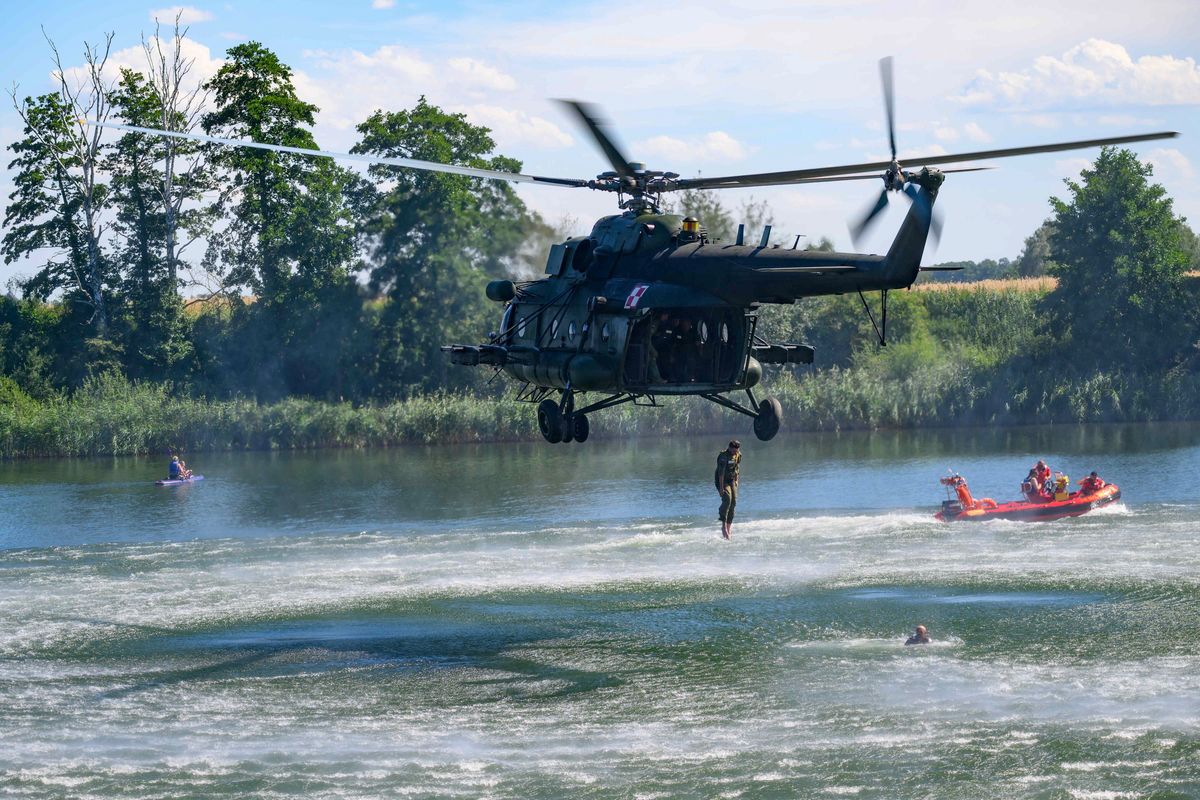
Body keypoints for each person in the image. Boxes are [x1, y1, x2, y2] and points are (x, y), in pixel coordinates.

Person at [714, 440, 741, 540]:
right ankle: (723, 526)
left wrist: (737, 480)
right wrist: (721, 489)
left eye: (737, 451)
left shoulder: (738, 454)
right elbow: (720, 474)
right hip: (722, 481)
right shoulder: (723, 457)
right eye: (734, 451)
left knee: (733, 502)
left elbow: (737, 467)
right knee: (727, 499)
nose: (735, 453)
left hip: (732, 480)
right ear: (730, 448)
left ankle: (729, 528)